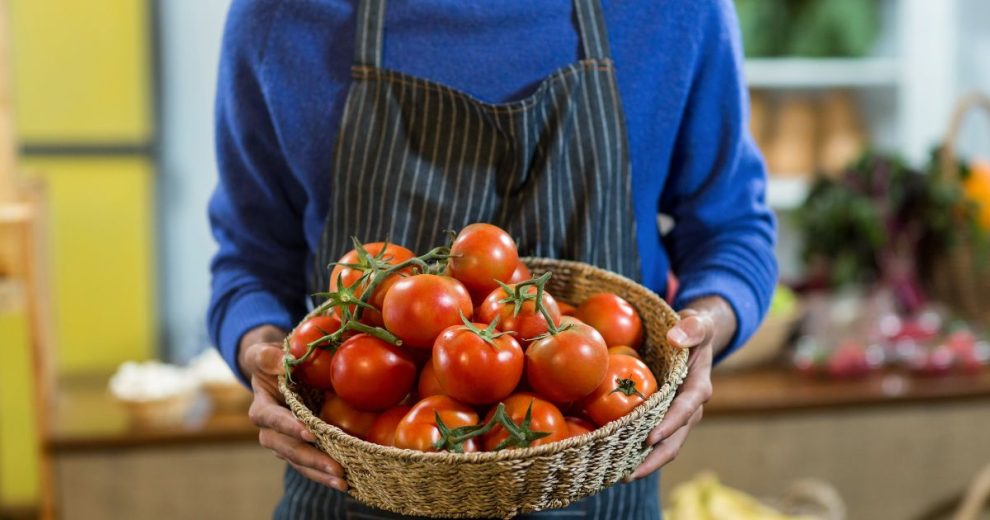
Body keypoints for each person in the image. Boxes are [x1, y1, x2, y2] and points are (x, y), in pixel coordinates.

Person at [208, 0, 777, 517]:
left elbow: (733, 230)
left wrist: (706, 327)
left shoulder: (678, 12)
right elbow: (249, 259)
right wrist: (261, 349)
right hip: (349, 487)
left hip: (605, 488)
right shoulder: (280, 15)